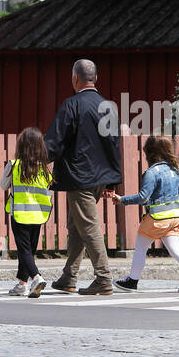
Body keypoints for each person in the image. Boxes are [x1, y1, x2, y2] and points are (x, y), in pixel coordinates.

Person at [44, 59, 123, 296]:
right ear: (95, 79)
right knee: (77, 226)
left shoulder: (71, 105)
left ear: (75, 78)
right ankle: (69, 277)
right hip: (101, 178)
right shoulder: (108, 107)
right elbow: (113, 145)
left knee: (88, 227)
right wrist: (111, 181)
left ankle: (104, 278)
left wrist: (36, 160)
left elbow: (55, 142)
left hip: (80, 178)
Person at [110, 136, 179, 294]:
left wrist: (121, 200)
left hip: (157, 219)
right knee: (176, 250)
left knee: (140, 247)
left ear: (149, 154)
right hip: (176, 217)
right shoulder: (174, 171)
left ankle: (132, 281)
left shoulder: (151, 173)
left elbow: (143, 197)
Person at [1, 128, 53, 298]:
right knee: (29, 250)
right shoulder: (44, 169)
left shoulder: (14, 165)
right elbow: (48, 186)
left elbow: (3, 185)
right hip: (38, 215)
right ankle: (22, 285)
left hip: (20, 214)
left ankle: (36, 277)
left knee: (24, 250)